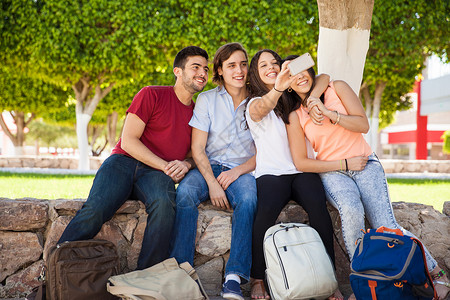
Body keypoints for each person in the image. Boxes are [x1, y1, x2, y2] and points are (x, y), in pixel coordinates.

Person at [284, 55, 450, 300]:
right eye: (292, 74)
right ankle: (364, 281)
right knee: (351, 211)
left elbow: (363, 125)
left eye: (304, 70)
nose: (300, 76)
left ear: (311, 71)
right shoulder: (294, 115)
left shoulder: (335, 87)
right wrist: (343, 163)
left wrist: (330, 113)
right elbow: (301, 161)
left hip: (365, 162)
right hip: (332, 170)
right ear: (287, 83)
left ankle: (435, 271)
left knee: (387, 223)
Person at [58, 46, 210, 270]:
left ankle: (146, 279)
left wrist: (186, 164)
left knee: (165, 205)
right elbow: (128, 140)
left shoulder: (199, 114)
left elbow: (196, 152)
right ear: (177, 71)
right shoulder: (151, 94)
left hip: (156, 175)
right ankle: (55, 267)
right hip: (124, 162)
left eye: (205, 69)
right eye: (195, 67)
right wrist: (166, 166)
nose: (202, 73)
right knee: (96, 209)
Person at [245, 49, 355, 300]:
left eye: (275, 62)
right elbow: (260, 110)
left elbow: (324, 76)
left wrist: (312, 97)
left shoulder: (296, 98)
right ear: (256, 74)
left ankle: (329, 280)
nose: (271, 67)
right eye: (264, 66)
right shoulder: (255, 102)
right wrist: (278, 87)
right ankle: (258, 279)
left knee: (319, 211)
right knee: (264, 216)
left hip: (303, 169)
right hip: (272, 173)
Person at [170, 42, 257, 300]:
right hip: (208, 166)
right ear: (220, 70)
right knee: (184, 194)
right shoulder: (207, 100)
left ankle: (234, 278)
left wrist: (236, 173)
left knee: (249, 200)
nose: (239, 70)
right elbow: (197, 149)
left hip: (242, 170)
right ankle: (181, 270)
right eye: (231, 65)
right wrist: (213, 183)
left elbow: (265, 151)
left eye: (243, 64)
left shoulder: (258, 102)